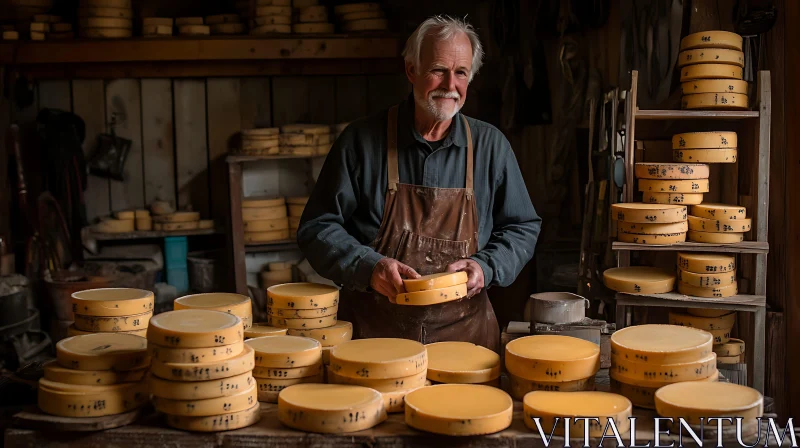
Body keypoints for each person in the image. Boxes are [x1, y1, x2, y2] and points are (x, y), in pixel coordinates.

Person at [296, 15, 541, 352]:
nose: (450, 85)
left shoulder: (490, 146)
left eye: (461, 73)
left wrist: (486, 266)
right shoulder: (361, 142)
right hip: (376, 339)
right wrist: (369, 267)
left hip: (466, 342)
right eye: (438, 70)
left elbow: (523, 226)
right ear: (411, 70)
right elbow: (317, 227)